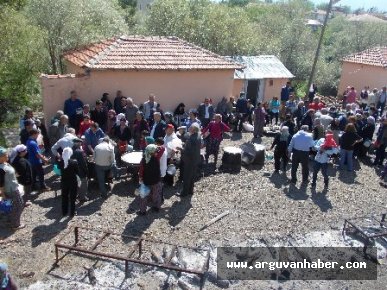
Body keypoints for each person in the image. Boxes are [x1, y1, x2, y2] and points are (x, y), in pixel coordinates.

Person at [0, 147, 25, 230]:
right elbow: (1, 183)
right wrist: (3, 194)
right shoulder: (1, 168)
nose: (7, 155)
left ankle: (10, 220)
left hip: (13, 187)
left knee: (13, 205)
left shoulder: (5, 163)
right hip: (11, 189)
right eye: (5, 154)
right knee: (19, 205)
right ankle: (15, 224)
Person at [177, 123, 202, 196]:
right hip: (195, 159)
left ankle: (184, 193)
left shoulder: (192, 138)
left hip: (189, 160)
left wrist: (181, 149)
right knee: (192, 176)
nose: (188, 128)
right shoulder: (198, 135)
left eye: (190, 127)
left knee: (187, 177)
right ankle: (190, 191)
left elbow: (189, 152)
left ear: (193, 130)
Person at [138, 144, 162, 215]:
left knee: (144, 196)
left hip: (146, 181)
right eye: (155, 151)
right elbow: (162, 149)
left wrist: (140, 178)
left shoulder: (144, 160)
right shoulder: (156, 158)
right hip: (156, 180)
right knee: (156, 194)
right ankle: (157, 207)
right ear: (152, 152)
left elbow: (141, 171)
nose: (156, 152)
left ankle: (142, 211)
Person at [58, 147, 79, 217]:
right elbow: (77, 171)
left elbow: (59, 171)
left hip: (64, 181)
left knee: (64, 197)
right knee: (73, 198)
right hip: (73, 182)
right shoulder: (74, 162)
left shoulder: (60, 162)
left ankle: (64, 212)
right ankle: (72, 213)